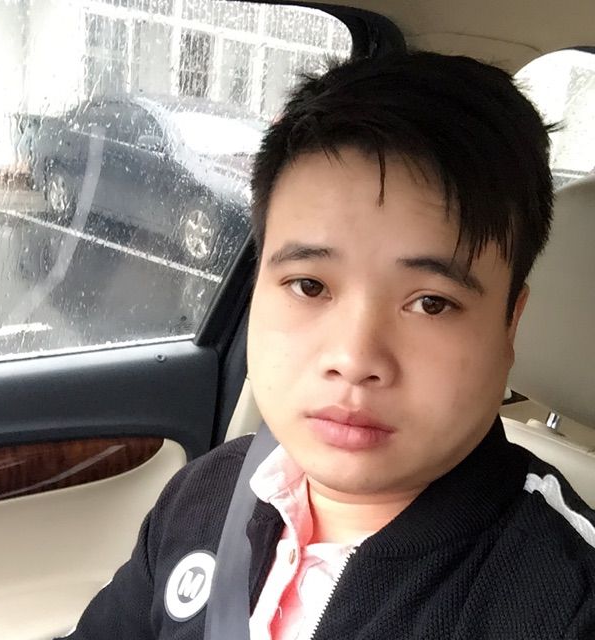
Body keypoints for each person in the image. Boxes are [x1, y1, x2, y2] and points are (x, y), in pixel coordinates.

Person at [60, 51, 595, 639]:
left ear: (509, 325)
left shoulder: (566, 604)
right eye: (309, 286)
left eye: (431, 303)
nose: (354, 359)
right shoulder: (207, 494)